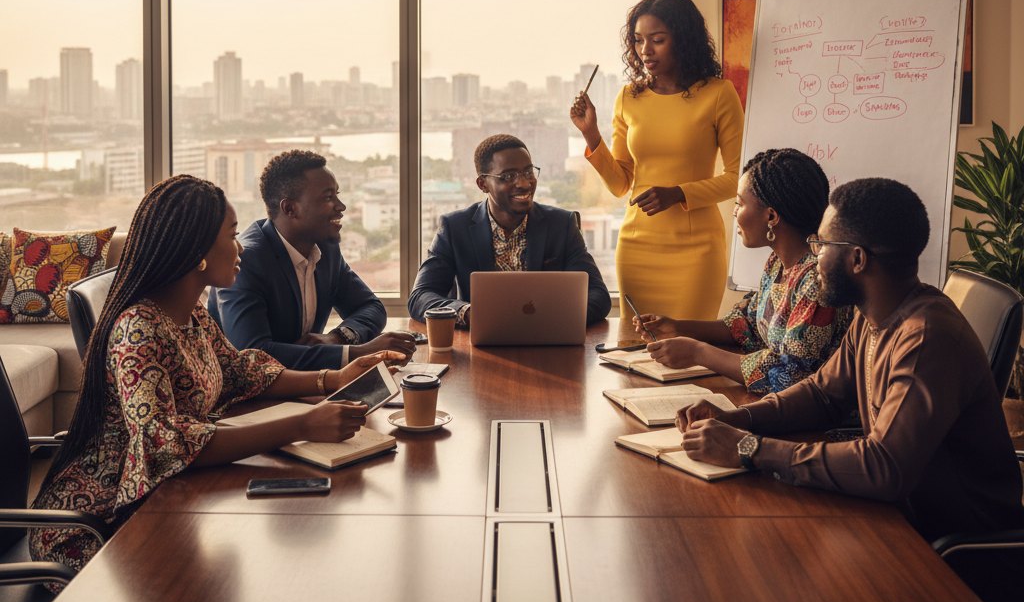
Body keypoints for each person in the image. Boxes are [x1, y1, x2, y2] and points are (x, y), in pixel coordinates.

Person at [31, 175, 404, 574]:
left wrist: (334, 377)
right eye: (231, 235)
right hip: (99, 528)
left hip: (163, 499)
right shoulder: (138, 330)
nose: (241, 246)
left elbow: (240, 371)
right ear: (198, 253)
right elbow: (165, 445)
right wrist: (302, 424)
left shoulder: (189, 314)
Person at [676, 177, 1024, 542]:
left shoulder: (926, 339)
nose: (814, 254)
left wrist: (749, 449)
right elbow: (822, 395)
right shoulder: (873, 314)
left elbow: (883, 467)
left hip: (955, 548)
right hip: (898, 517)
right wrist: (737, 419)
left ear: (857, 259)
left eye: (822, 244)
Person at [570, 0, 744, 320]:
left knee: (688, 357)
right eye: (637, 41)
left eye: (657, 39)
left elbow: (738, 180)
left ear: (683, 39)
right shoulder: (629, 98)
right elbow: (621, 183)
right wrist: (591, 134)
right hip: (637, 244)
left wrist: (679, 193)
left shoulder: (719, 94)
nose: (645, 51)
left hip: (697, 252)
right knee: (634, 355)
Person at [635, 148, 852, 393]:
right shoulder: (778, 263)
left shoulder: (817, 280)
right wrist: (677, 327)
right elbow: (746, 323)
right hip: (780, 410)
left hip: (821, 424)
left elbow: (790, 377)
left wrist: (698, 352)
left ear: (771, 216)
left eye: (739, 203)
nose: (734, 211)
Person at [209, 150, 415, 369]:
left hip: (307, 388)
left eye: (337, 194)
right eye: (328, 197)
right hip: (246, 398)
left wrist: (339, 338)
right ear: (290, 209)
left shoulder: (325, 248)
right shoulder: (247, 261)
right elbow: (254, 355)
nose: (341, 206)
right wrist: (357, 353)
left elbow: (370, 307)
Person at [408, 134, 611, 327]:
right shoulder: (454, 228)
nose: (524, 183)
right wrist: (469, 313)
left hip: (548, 343)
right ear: (483, 184)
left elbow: (598, 294)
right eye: (508, 176)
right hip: (481, 347)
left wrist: (554, 316)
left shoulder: (562, 224)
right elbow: (421, 296)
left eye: (528, 172)